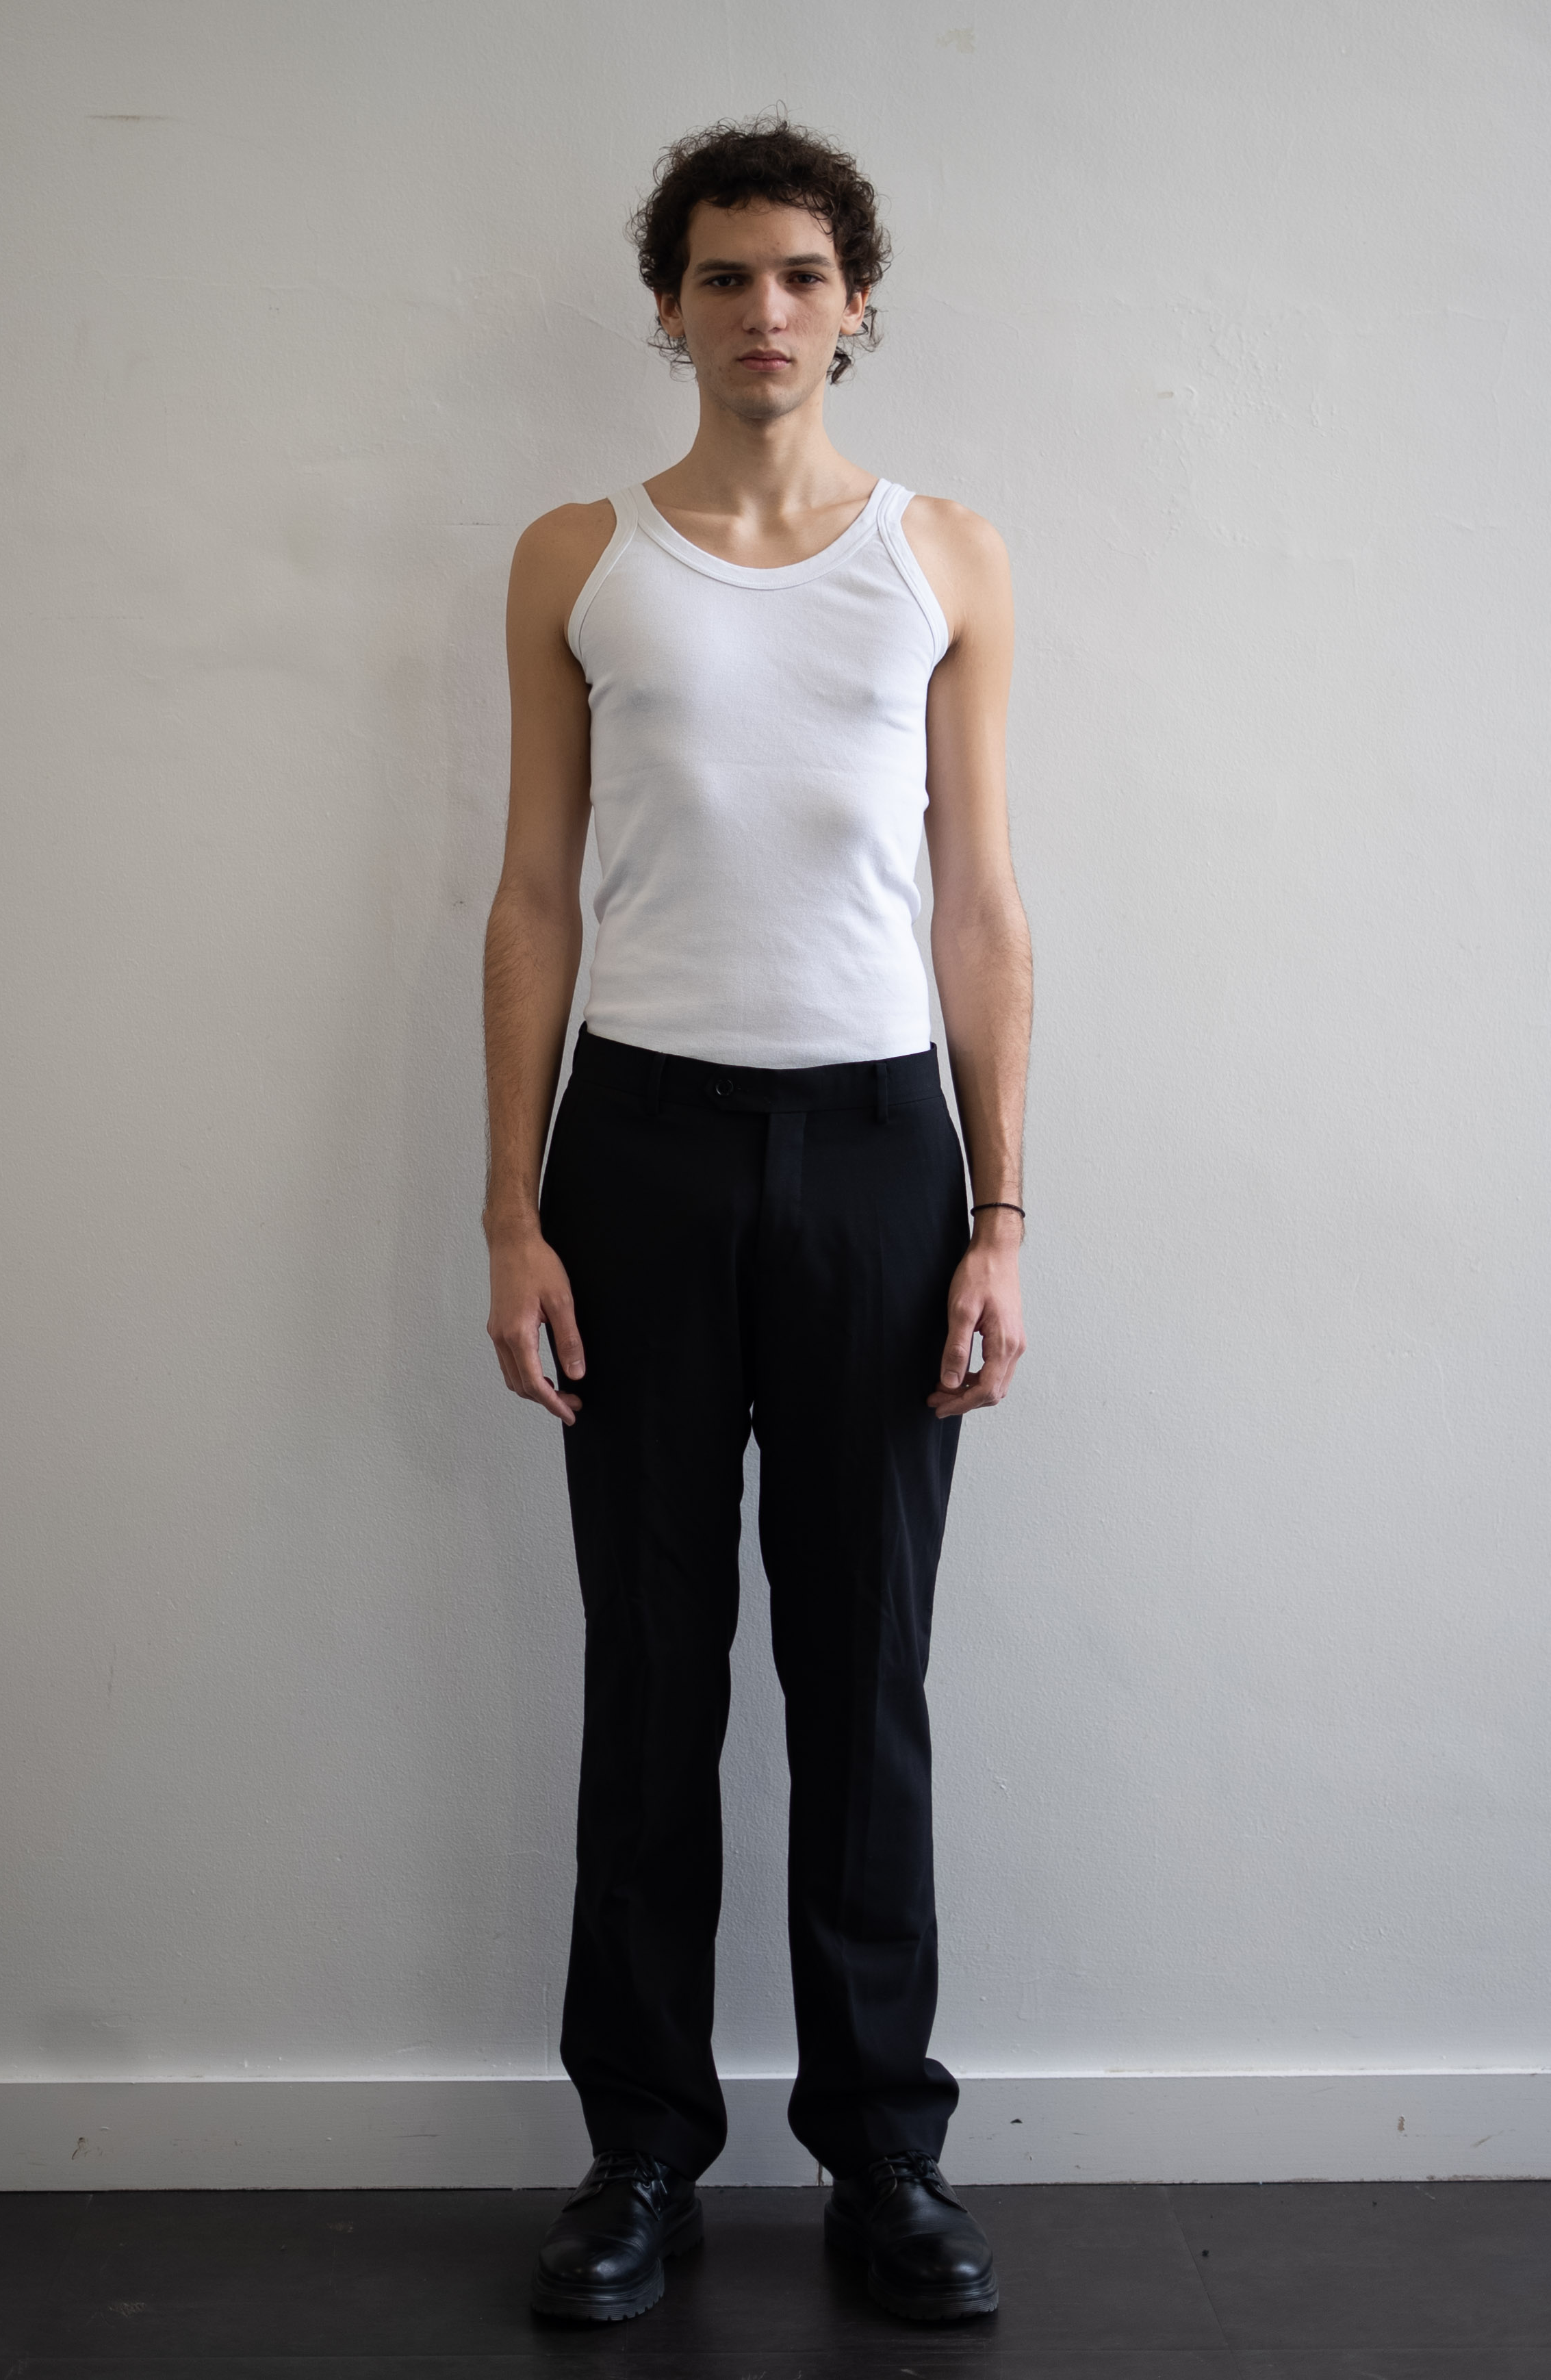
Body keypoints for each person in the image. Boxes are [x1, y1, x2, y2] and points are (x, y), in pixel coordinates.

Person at [482, 112, 1032, 2327]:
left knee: (861, 1667)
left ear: (856, 302)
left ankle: (886, 2152)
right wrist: (510, 1212)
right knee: (652, 1662)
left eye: (802, 275)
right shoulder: (578, 559)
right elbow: (534, 897)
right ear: (671, 308)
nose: (765, 311)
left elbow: (980, 906)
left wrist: (1003, 1214)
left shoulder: (946, 558)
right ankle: (640, 2152)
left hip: (884, 1152)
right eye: (724, 276)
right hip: (638, 1150)